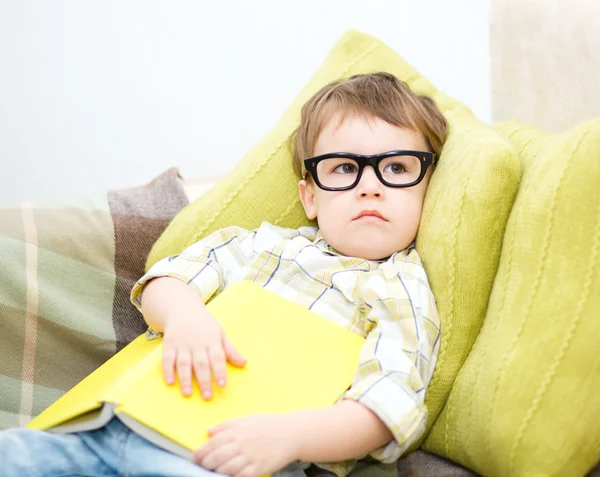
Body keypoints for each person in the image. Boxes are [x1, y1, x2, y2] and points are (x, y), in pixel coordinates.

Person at [0, 72, 448, 477]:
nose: (370, 184)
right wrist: (183, 317)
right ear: (310, 198)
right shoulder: (261, 244)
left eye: (396, 168)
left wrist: (289, 436)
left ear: (429, 188)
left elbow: (387, 405)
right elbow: (166, 280)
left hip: (216, 460)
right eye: (345, 168)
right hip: (108, 422)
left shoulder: (399, 290)